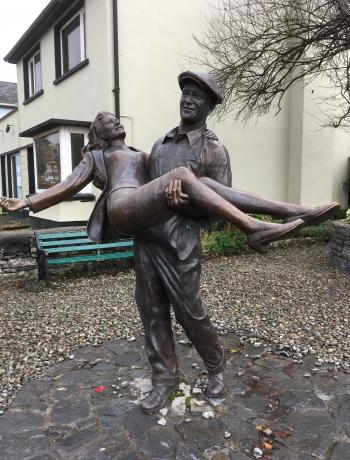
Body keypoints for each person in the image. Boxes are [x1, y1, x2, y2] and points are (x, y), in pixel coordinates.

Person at [0, 73, 338, 414]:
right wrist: (32, 201)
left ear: (209, 107)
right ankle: (164, 378)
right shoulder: (157, 146)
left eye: (197, 97)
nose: (189, 100)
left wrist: (183, 201)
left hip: (181, 242)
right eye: (185, 94)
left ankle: (216, 367)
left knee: (192, 312)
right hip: (148, 239)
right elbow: (121, 189)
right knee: (152, 311)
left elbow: (216, 207)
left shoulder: (214, 150)